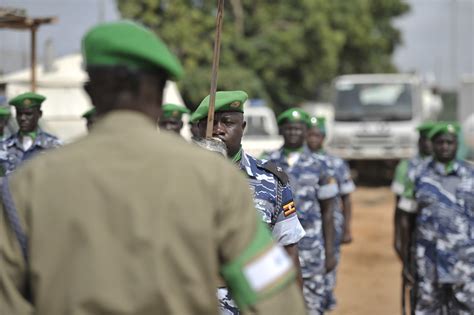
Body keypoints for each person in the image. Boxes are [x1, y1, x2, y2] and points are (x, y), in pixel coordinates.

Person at [0, 21, 306, 315]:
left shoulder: (26, 186)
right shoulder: (216, 181)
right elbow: (275, 296)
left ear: (90, 91)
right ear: (160, 94)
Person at [190, 90, 306, 314]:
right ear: (197, 129)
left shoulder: (272, 181)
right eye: (211, 122)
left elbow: (288, 252)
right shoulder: (173, 177)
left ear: (242, 128)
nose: (218, 130)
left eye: (228, 122)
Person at [266, 108, 338, 315]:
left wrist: (330, 252)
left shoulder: (321, 165)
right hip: (278, 252)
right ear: (281, 131)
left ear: (306, 132)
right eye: (289, 129)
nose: (293, 133)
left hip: (312, 249)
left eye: (298, 129)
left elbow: (328, 212)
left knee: (313, 307)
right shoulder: (267, 163)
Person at [398, 122, 474, 314]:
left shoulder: (470, 175)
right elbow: (406, 218)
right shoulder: (418, 175)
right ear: (432, 144)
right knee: (427, 308)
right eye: (440, 142)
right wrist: (406, 259)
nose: (445, 147)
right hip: (428, 260)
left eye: (449, 142)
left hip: (464, 261)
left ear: (457, 144)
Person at [306, 115, 355, 311]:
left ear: (324, 137)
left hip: (331, 226)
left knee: (328, 268)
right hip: (306, 227)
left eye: (318, 134)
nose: (313, 138)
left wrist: (347, 229)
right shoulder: (298, 161)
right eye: (310, 134)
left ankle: (323, 303)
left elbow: (347, 197)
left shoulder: (335, 163)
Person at [391, 122, 434, 261]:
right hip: (415, 231)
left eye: (430, 140)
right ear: (419, 141)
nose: (427, 144)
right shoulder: (406, 167)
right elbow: (399, 209)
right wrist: (398, 239)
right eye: (424, 139)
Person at [1, 92, 61, 174]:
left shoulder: (54, 145)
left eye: (28, 114)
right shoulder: (4, 147)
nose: (23, 118)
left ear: (39, 114)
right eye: (19, 114)